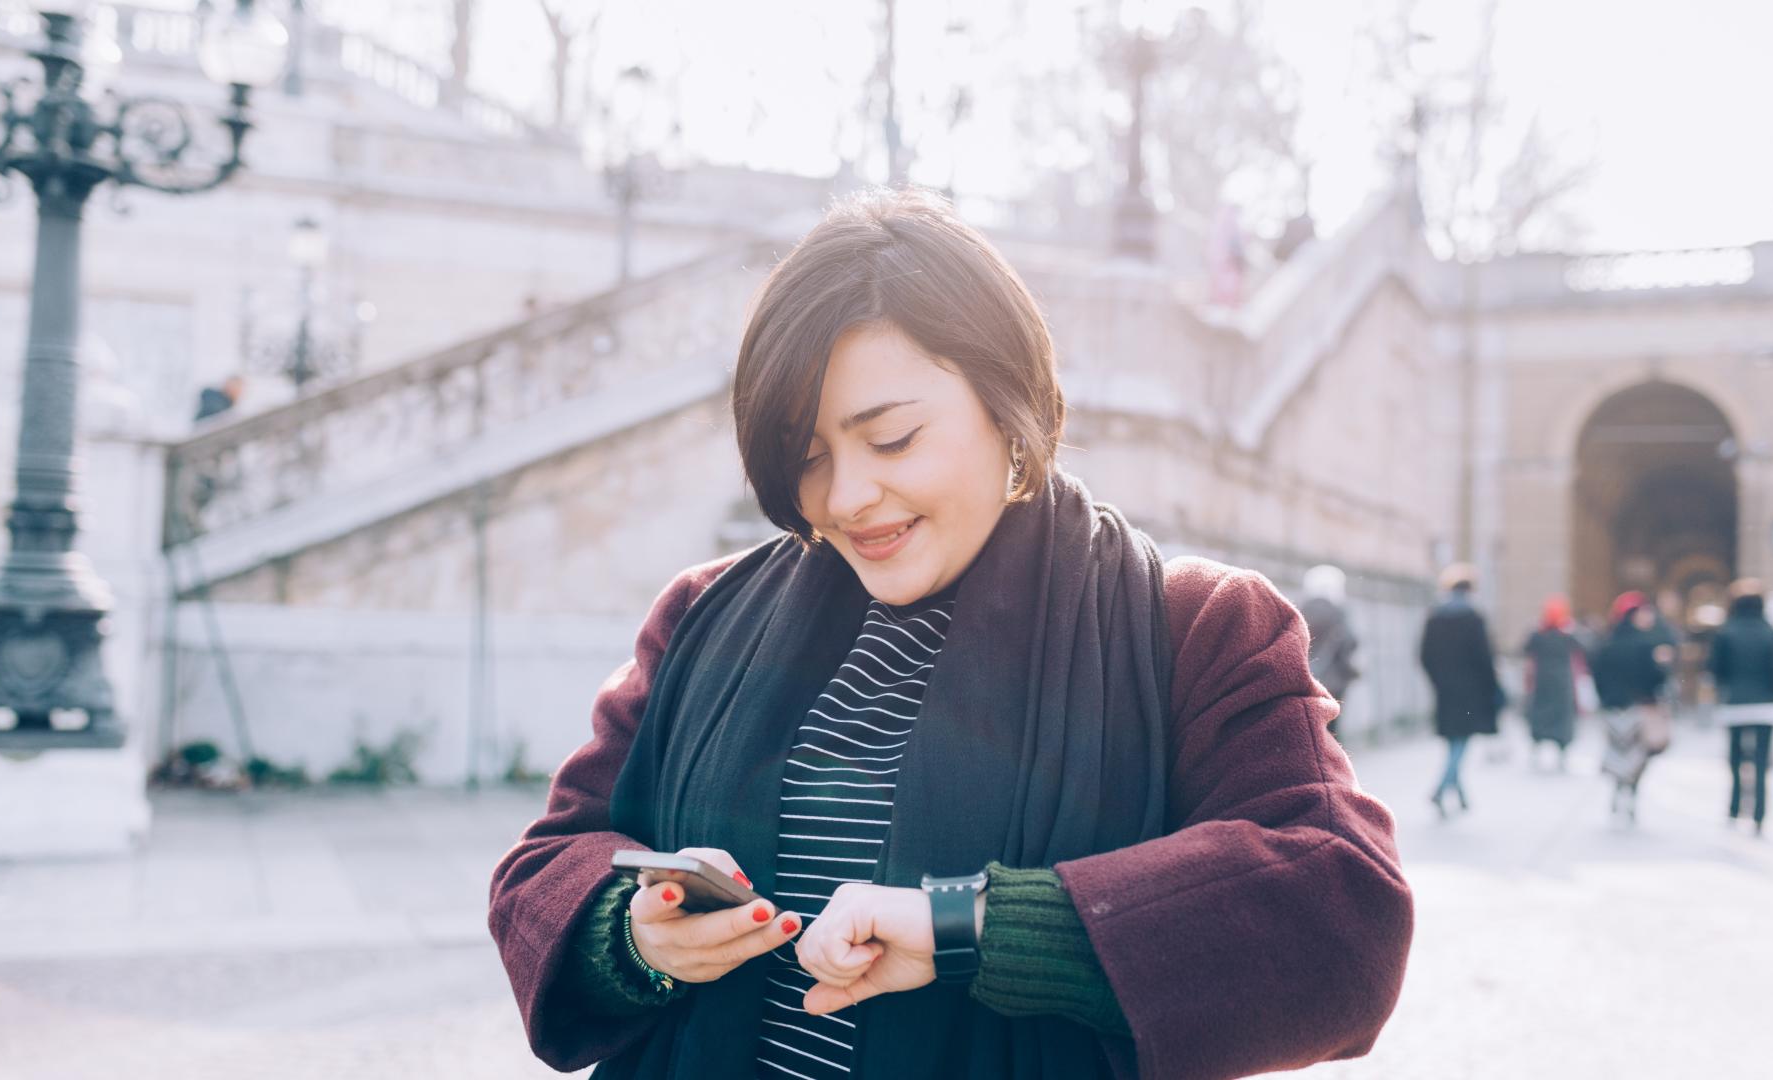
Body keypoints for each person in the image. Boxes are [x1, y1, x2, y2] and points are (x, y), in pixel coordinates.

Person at [487, 190, 1413, 1080]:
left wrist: (971, 926)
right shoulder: (703, 617)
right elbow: (543, 868)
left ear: (1007, 403)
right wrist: (632, 934)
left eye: (890, 440)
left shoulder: (1197, 629)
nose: (845, 497)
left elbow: (1343, 914)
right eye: (807, 456)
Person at [1709, 580, 1773, 836]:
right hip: (1766, 706)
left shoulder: (1726, 633)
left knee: (1735, 760)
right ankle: (1759, 814)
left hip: (1735, 705)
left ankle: (1735, 809)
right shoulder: (1772, 633)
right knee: (1761, 762)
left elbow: (1715, 670)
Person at [1419, 564, 1503, 817]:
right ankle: (1441, 787)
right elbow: (1484, 657)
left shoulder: (1435, 617)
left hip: (1445, 689)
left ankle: (1459, 793)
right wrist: (1492, 687)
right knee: (1461, 740)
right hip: (1470, 691)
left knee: (1454, 739)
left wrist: (1438, 680)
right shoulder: (1473, 618)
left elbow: (1424, 655)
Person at [1593, 592, 1672, 825]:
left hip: (1613, 708)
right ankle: (1631, 794)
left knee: (1618, 753)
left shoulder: (1607, 644)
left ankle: (1618, 791)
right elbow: (1656, 679)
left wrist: (1606, 698)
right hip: (1640, 708)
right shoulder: (1647, 645)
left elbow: (1598, 675)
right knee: (1638, 757)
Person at [1522, 596, 1585, 770]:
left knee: (1541, 717)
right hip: (1561, 684)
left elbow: (1524, 649)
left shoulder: (1538, 635)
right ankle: (1561, 753)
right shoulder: (1567, 636)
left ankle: (1537, 749)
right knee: (1561, 720)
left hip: (1542, 682)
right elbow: (1583, 649)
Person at [1298, 564, 1360, 739]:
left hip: (1306, 679)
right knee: (1332, 731)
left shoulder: (1299, 610)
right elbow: (1350, 643)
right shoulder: (1338, 612)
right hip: (1335, 682)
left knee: (1311, 730)